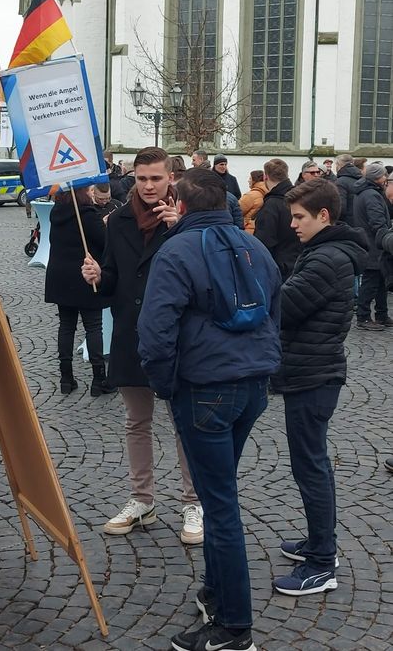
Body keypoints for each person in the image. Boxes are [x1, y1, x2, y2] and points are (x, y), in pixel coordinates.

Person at [137, 168, 282, 651]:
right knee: (217, 490)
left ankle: (234, 628)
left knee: (219, 507)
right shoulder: (255, 247)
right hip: (252, 385)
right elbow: (274, 309)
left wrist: (165, 385)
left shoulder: (176, 250)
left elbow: (155, 330)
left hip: (205, 389)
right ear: (227, 201)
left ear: (179, 198)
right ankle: (216, 593)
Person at [82, 147, 203, 545]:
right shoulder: (116, 220)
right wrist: (98, 274)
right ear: (132, 178)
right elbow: (114, 276)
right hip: (131, 332)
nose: (148, 186)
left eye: (156, 178)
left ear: (171, 178)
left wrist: (180, 228)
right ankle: (142, 500)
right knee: (137, 421)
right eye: (141, 178)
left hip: (176, 336)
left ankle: (193, 502)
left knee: (183, 423)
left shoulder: (188, 219)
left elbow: (204, 280)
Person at [272, 179, 367, 596]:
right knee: (314, 465)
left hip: (313, 375)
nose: (293, 224)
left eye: (299, 217)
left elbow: (283, 308)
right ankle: (319, 543)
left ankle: (322, 563)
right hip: (312, 371)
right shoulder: (325, 252)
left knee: (310, 468)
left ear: (323, 217)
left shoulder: (326, 258)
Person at [45, 187, 115, 396]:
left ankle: (66, 378)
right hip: (84, 275)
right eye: (90, 189)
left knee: (66, 326)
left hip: (60, 275)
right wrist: (104, 225)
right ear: (82, 193)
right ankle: (98, 379)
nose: (93, 192)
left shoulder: (56, 212)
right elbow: (104, 243)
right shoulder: (87, 214)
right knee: (94, 327)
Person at [354, 163, 392, 330]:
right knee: (371, 281)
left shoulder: (366, 192)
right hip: (374, 244)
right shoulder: (371, 195)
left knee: (381, 281)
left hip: (371, 242)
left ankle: (382, 314)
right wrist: (386, 236)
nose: (386, 179)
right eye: (384, 176)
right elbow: (377, 222)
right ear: (377, 177)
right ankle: (363, 316)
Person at [254, 158, 302, 281]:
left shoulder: (271, 205)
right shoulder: (301, 199)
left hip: (279, 269)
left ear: (265, 177)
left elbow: (264, 242)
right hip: (301, 264)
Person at [335, 153, 362, 225]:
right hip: (361, 221)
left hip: (347, 223)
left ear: (339, 165)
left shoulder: (340, 182)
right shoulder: (362, 178)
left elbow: (341, 208)